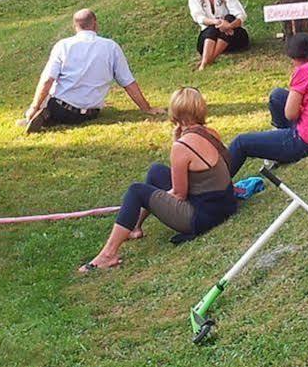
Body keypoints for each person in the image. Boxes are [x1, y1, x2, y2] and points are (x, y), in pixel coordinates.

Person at [79, 88, 239, 273]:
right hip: (225, 203)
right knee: (156, 171)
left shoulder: (182, 146)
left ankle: (108, 254)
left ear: (175, 114)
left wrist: (156, 199)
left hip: (204, 216)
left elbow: (179, 194)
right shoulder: (210, 132)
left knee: (137, 191)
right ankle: (135, 227)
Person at [227, 33, 308, 172]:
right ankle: (278, 144)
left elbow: (290, 114)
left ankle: (218, 185)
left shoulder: (303, 71)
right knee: (278, 95)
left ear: (295, 57)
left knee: (241, 142)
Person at [19, 8, 157, 132]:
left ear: (75, 26)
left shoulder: (63, 46)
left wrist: (34, 106)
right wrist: (146, 108)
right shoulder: (111, 47)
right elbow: (128, 82)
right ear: (95, 24)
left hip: (61, 108)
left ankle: (38, 114)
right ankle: (45, 115)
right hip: (91, 113)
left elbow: (47, 80)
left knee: (48, 97)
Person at [188, 0, 250, 70]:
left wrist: (229, 26)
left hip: (232, 38)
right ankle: (205, 63)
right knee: (212, 27)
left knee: (229, 18)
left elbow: (241, 15)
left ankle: (208, 61)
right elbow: (198, 17)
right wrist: (217, 22)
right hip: (208, 40)